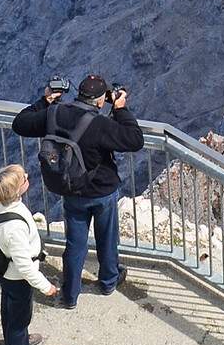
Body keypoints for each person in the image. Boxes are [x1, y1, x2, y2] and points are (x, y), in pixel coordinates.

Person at [11, 75, 142, 308]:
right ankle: (108, 281)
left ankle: (70, 295)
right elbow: (134, 140)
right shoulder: (100, 124)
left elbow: (20, 123)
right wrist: (121, 109)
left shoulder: (54, 113)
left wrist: (45, 100)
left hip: (71, 189)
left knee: (75, 244)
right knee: (107, 239)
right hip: (102, 192)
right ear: (102, 101)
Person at [0, 163, 58, 345]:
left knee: (8, 310)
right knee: (19, 319)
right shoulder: (14, 229)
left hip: (6, 272)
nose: (28, 178)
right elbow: (24, 266)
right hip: (17, 277)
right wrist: (45, 286)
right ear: (18, 190)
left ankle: (13, 342)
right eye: (24, 179)